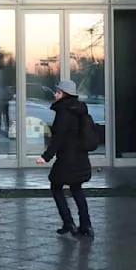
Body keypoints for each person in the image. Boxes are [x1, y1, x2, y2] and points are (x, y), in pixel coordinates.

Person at [36, 80, 96, 238]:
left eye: (58, 92)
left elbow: (58, 137)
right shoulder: (80, 110)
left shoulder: (64, 112)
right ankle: (86, 225)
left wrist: (46, 157)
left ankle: (68, 222)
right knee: (77, 190)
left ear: (64, 94)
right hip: (81, 157)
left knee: (56, 187)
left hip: (67, 158)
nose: (55, 94)